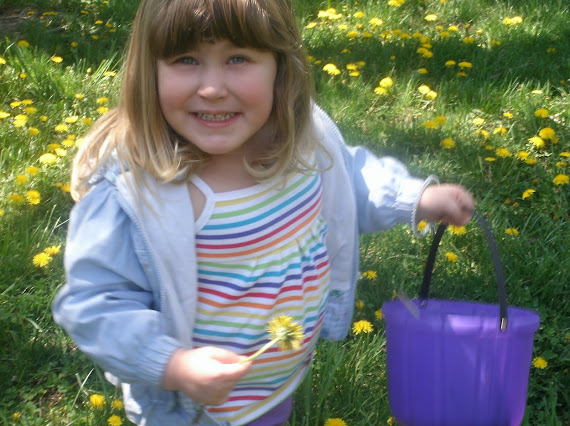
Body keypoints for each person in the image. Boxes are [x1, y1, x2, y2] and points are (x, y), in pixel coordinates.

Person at [52, 0, 474, 424]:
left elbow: (349, 180)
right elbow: (95, 302)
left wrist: (411, 199)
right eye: (185, 59)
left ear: (280, 66)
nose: (212, 87)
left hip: (274, 387)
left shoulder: (303, 143)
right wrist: (174, 365)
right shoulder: (138, 192)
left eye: (238, 58)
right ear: (150, 71)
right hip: (193, 409)